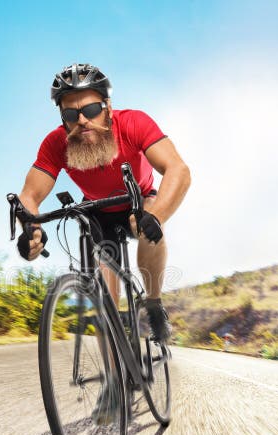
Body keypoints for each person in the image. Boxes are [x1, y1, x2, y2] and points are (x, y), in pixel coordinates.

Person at [17, 63, 191, 343]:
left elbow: (178, 170)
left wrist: (156, 215)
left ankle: (154, 304)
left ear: (107, 106)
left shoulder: (134, 122)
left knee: (144, 226)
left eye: (91, 110)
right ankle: (114, 379)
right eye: (72, 114)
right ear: (63, 119)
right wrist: (30, 227)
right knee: (104, 304)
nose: (83, 121)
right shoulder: (55, 144)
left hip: (139, 199)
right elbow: (30, 195)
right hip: (98, 210)